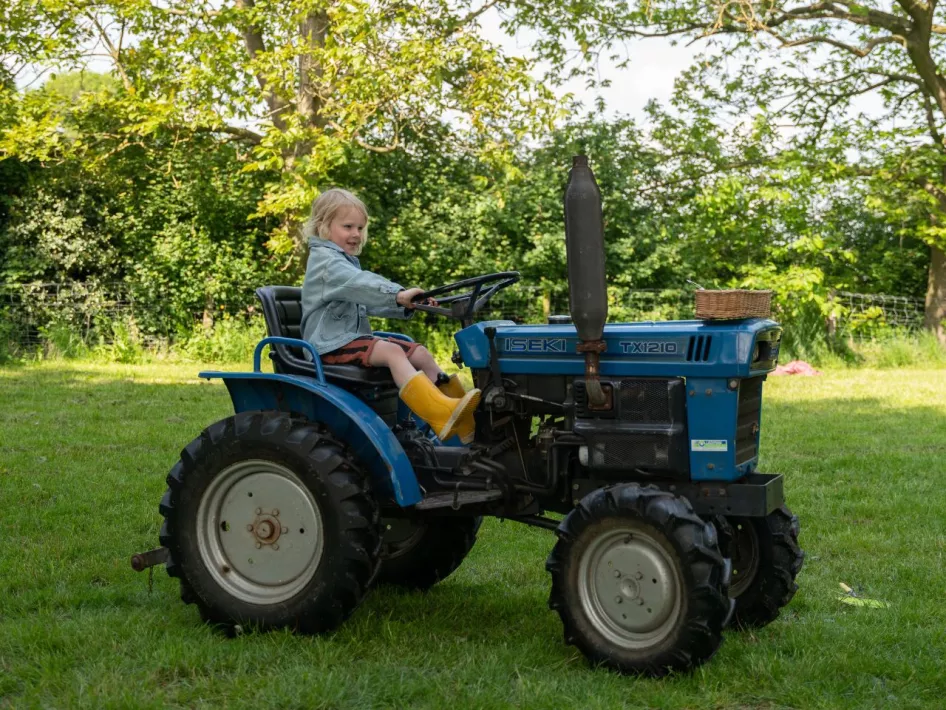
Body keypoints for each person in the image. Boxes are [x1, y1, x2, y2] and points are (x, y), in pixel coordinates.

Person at [300, 188, 479, 443]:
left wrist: (409, 303)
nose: (356, 234)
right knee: (392, 352)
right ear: (323, 227)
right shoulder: (327, 263)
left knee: (420, 353)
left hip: (346, 340)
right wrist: (398, 293)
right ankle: (440, 414)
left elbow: (369, 302)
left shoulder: (341, 261)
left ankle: (460, 413)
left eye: (360, 228)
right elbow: (363, 284)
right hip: (326, 345)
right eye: (348, 226)